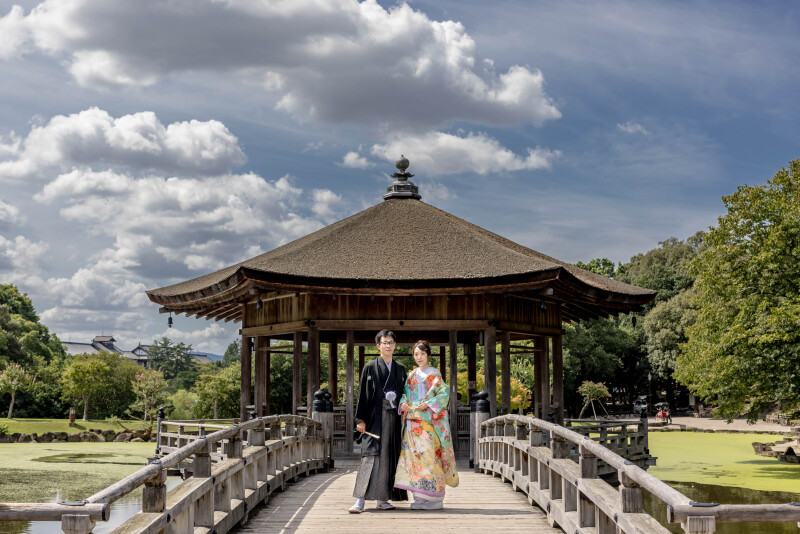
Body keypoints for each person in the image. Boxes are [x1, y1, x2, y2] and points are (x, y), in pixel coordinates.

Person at [394, 340, 459, 510]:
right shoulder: (411, 375)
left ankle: (435, 499)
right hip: (412, 422)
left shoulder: (435, 374)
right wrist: (403, 404)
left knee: (430, 457)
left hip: (428, 423)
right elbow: (404, 394)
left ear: (428, 354)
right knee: (414, 459)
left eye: (422, 353)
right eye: (416, 354)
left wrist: (429, 404)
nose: (419, 357)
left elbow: (443, 394)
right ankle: (420, 497)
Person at [349, 329, 408, 513]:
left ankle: (382, 499)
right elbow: (363, 395)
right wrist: (360, 419)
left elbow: (405, 394)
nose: (388, 345)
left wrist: (403, 403)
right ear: (378, 346)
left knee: (388, 457)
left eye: (391, 342)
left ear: (395, 345)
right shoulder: (370, 367)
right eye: (384, 342)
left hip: (393, 417)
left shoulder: (400, 369)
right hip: (374, 417)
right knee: (370, 456)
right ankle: (360, 501)